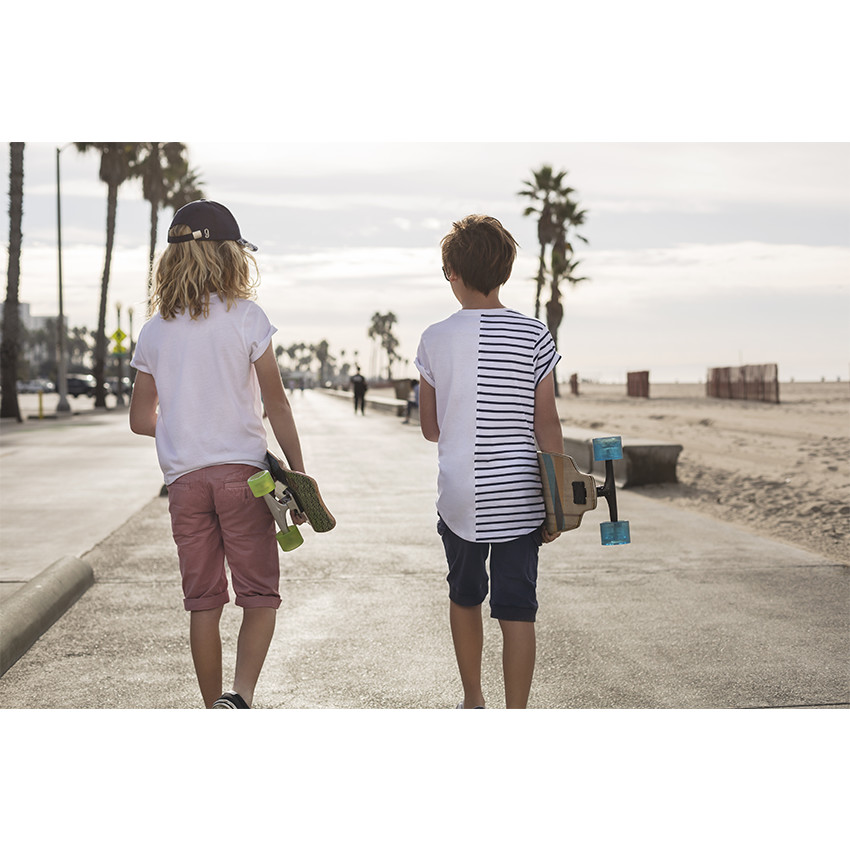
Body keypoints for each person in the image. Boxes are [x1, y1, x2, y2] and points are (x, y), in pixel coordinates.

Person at [129, 199, 307, 709]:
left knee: (203, 605)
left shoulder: (154, 332)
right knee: (260, 597)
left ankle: (212, 710)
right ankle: (241, 697)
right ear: (230, 256)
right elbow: (275, 402)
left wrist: (184, 424)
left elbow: (142, 420)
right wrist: (298, 471)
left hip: (185, 484)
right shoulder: (247, 318)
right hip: (245, 480)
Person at [414, 214, 563, 710]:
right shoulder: (535, 335)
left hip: (460, 499)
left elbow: (430, 428)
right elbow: (547, 426)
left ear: (452, 272)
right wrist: (557, 498)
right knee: (518, 610)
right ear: (504, 271)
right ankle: (515, 713)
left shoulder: (434, 339)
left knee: (465, 596)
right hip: (520, 497)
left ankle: (473, 700)